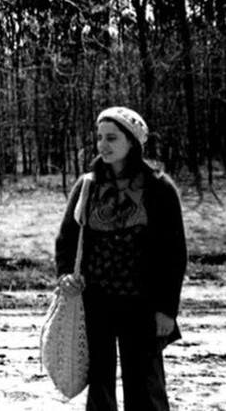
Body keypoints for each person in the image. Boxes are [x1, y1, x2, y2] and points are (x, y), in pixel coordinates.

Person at [55, 106, 187, 410]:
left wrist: (166, 309)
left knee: (146, 387)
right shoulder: (87, 186)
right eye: (100, 137)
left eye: (112, 138)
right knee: (99, 386)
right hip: (95, 303)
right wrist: (65, 275)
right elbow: (66, 239)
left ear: (132, 142)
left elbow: (174, 253)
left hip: (142, 305)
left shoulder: (159, 187)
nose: (103, 145)